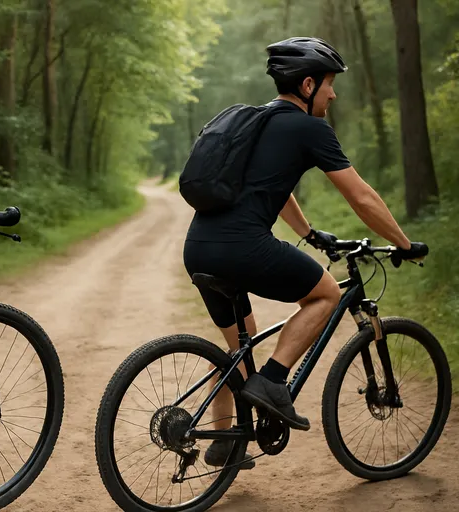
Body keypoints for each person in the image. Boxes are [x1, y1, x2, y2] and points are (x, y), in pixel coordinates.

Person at [182, 37, 428, 468]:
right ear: (309, 85)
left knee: (239, 346)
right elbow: (362, 197)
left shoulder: (257, 121)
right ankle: (273, 382)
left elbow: (272, 189)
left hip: (200, 247)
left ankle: (224, 440)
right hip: (243, 246)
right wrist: (404, 244)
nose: (333, 94)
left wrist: (310, 233)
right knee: (326, 294)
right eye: (330, 84)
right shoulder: (309, 128)